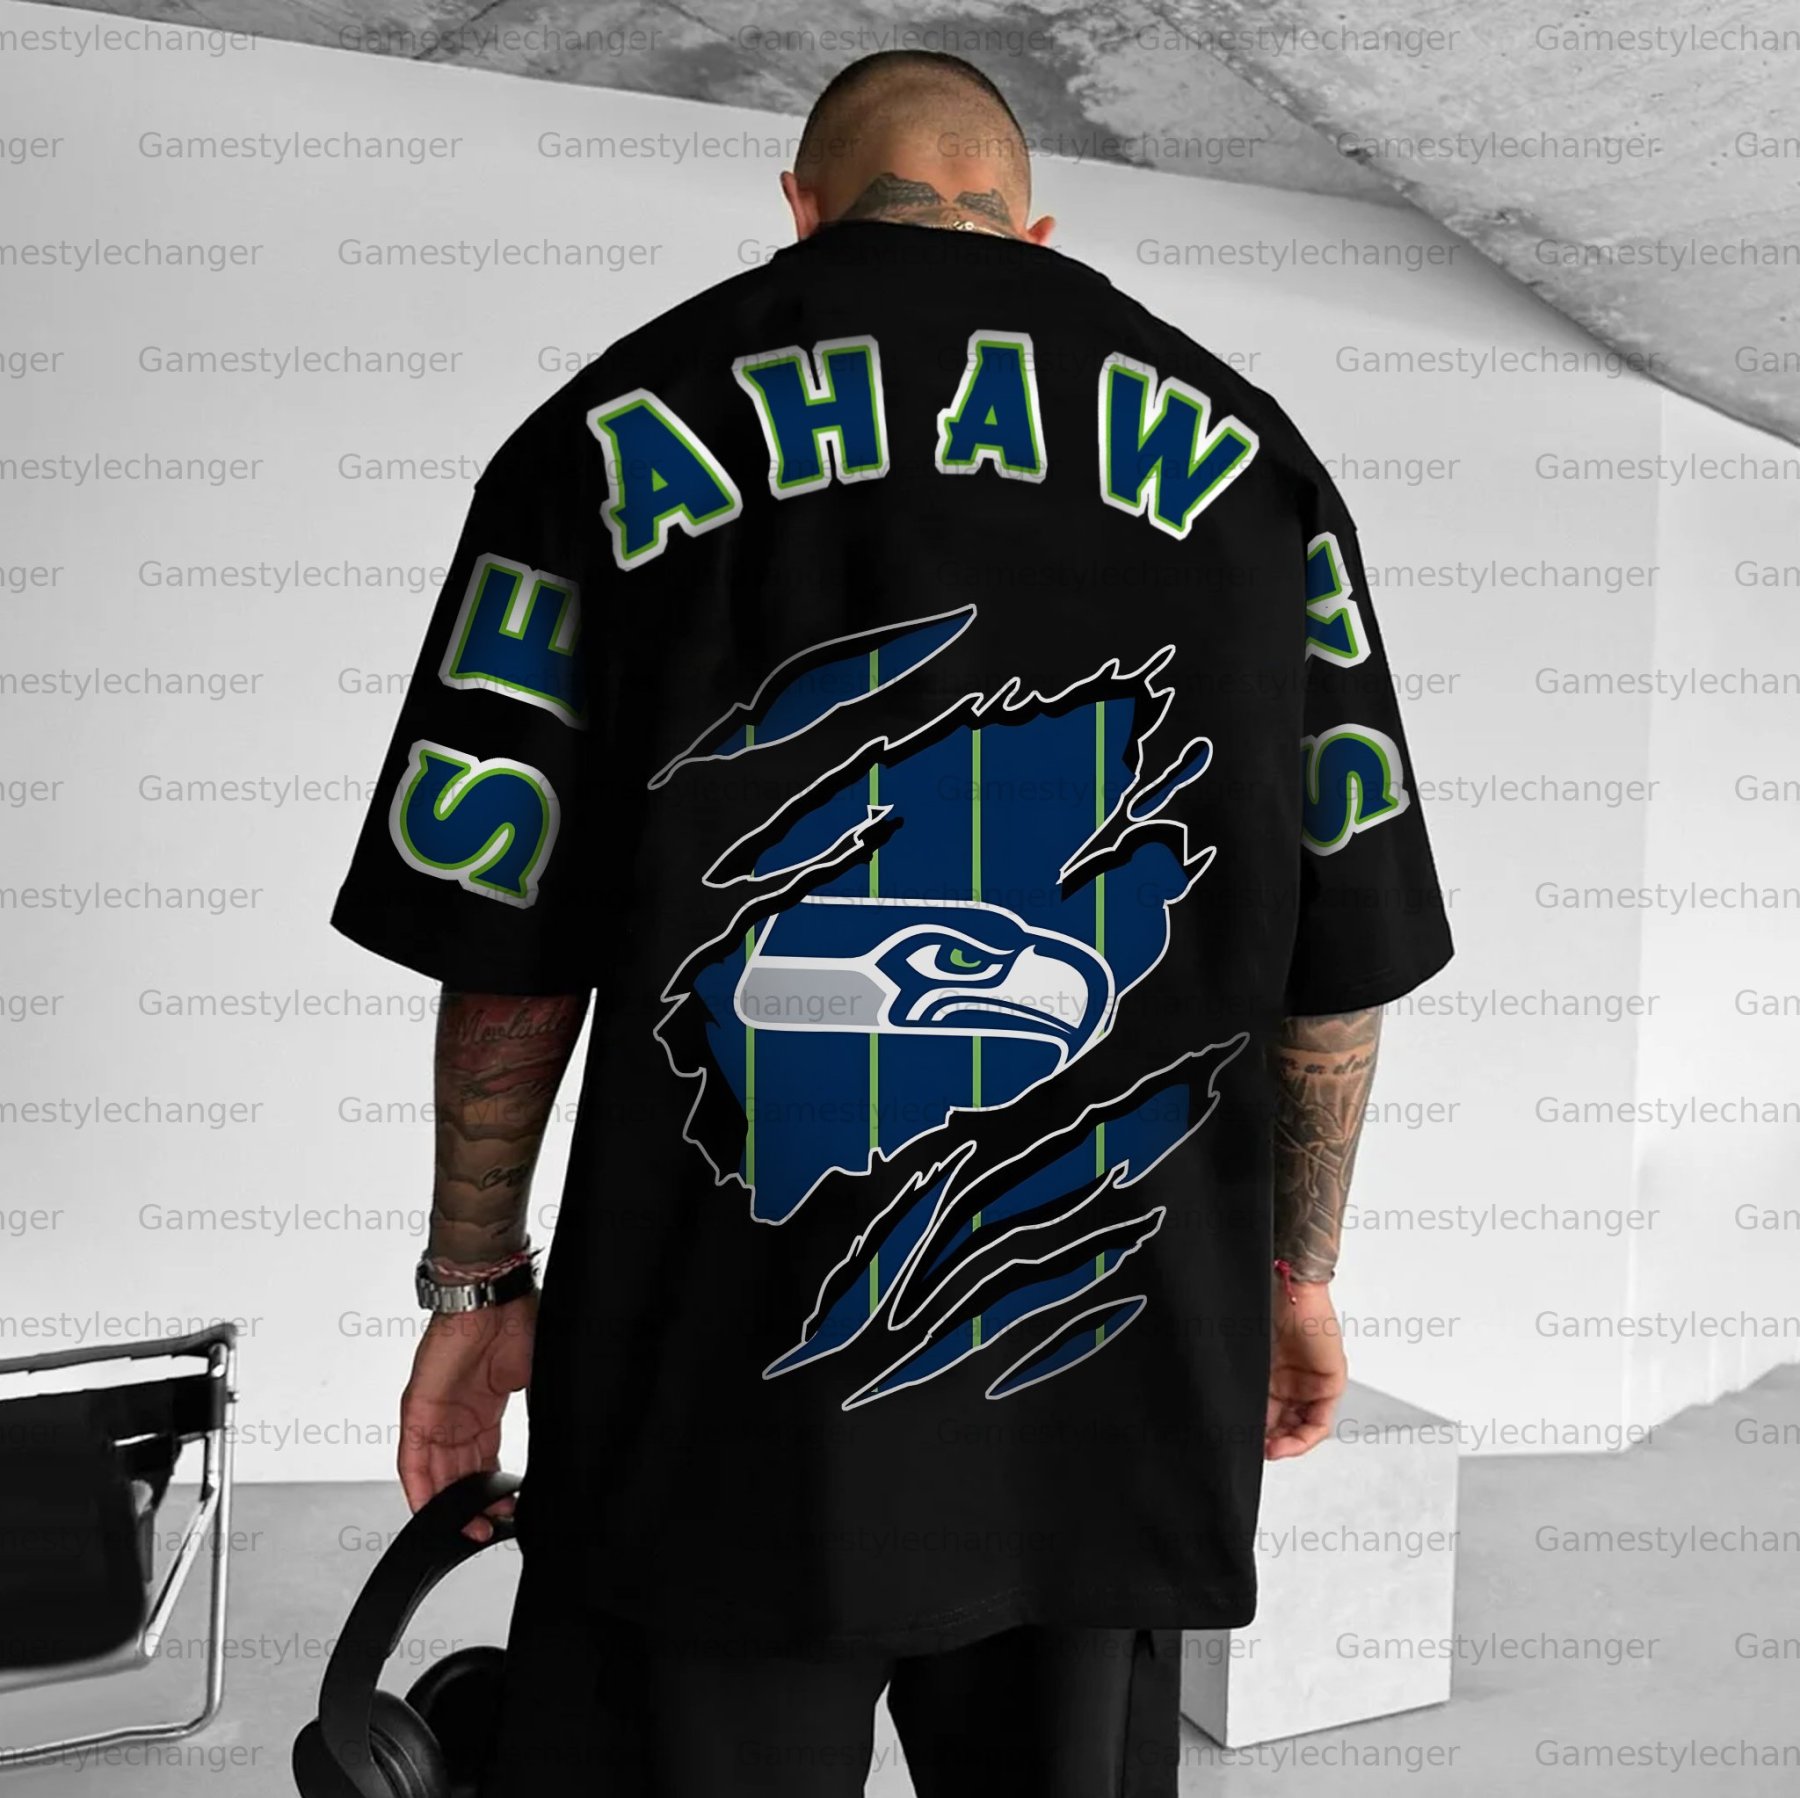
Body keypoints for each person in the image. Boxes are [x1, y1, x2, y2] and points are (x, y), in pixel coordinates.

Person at [331, 49, 1452, 1798]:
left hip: (712, 1391)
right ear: (1034, 225)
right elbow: (1338, 961)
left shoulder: (605, 436)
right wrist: (1298, 1274)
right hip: (1099, 1351)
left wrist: (476, 1280)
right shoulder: (1257, 467)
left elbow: (511, 952)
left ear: (800, 209)